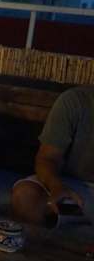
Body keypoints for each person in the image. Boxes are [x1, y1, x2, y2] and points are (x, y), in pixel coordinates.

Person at [11, 86, 94, 226]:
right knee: (25, 197)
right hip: (74, 188)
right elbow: (48, 158)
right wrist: (56, 186)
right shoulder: (75, 101)